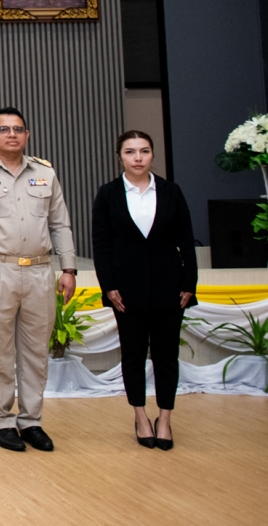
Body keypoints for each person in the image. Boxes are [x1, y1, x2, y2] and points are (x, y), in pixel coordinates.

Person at [0, 107, 77, 453]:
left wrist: (68, 268)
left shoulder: (45, 173)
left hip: (39, 270)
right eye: (3, 129)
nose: (12, 135)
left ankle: (32, 421)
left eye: (18, 129)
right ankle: (2, 421)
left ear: (27, 135)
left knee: (37, 351)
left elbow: (59, 223)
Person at [92, 131, 198, 451]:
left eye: (144, 151)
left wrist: (189, 284)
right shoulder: (108, 194)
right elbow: (102, 245)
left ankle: (164, 418)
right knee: (134, 356)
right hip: (125, 291)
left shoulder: (170, 191)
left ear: (152, 155)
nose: (138, 157)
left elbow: (187, 241)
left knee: (167, 356)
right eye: (130, 151)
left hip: (170, 288)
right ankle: (139, 414)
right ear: (120, 156)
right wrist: (108, 286)